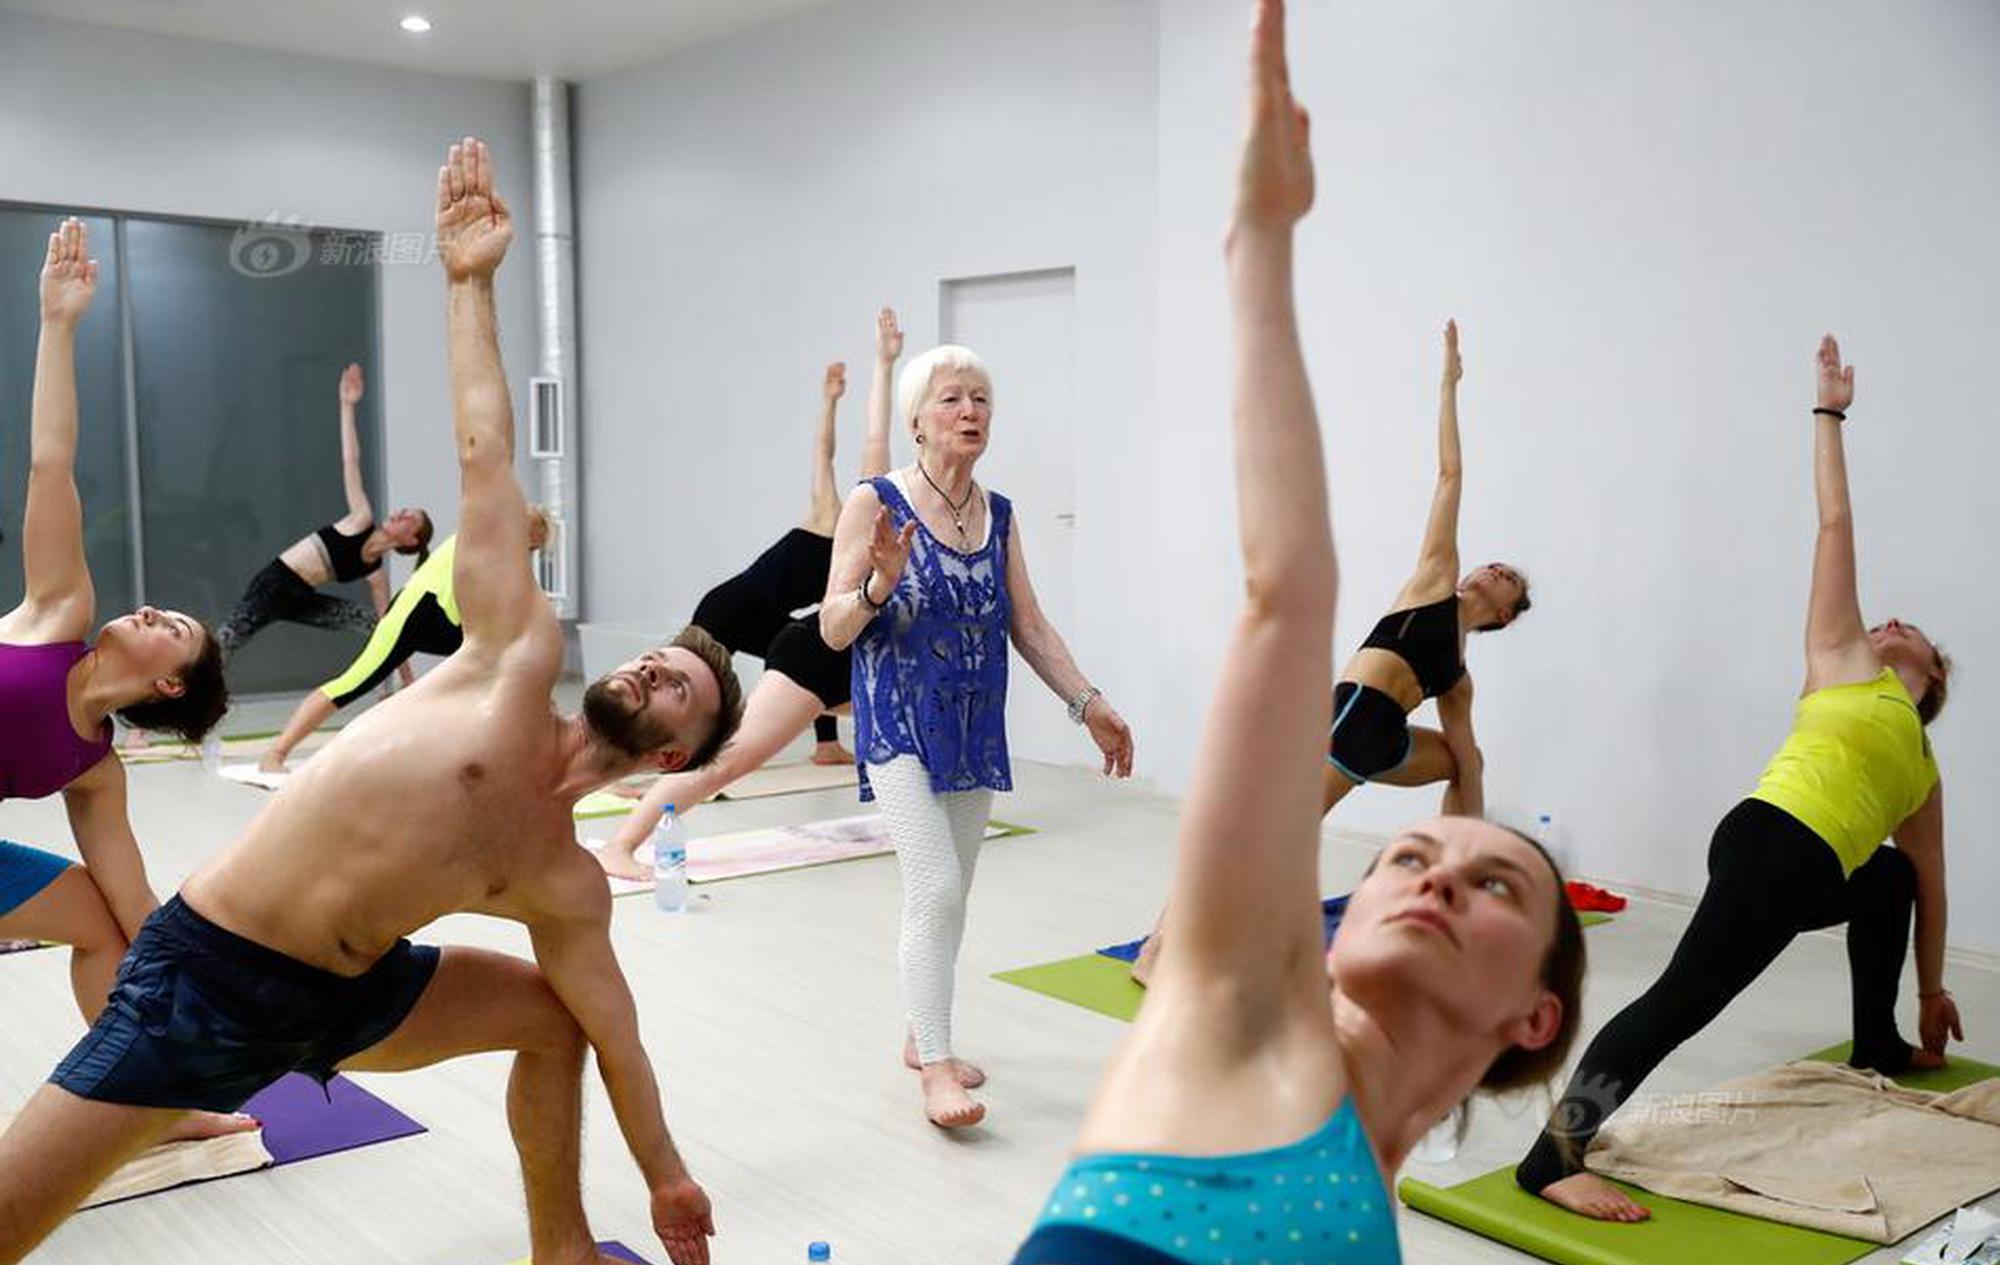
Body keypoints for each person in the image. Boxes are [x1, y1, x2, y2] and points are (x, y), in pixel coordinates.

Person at [0, 139, 743, 1265]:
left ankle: (563, 1247)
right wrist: (467, 284)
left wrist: (668, 1172)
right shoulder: (512, 651)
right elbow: (485, 450)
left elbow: (620, 1032)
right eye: (654, 657)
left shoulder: (564, 879)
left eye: (677, 686)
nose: (650, 668)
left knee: (557, 1019)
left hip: (352, 991)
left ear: (673, 752)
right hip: (202, 977)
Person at [1015, 10, 1581, 1259]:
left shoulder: (1461, 656)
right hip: (1348, 710)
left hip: (1390, 731)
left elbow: (1468, 776)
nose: (1433, 869)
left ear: (1534, 1017)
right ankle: (1174, 923)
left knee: (1409, 784)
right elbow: (1294, 582)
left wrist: (1472, 813)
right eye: (1412, 866)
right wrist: (1261, 244)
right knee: (1289, 832)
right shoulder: (1238, 1018)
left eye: (1488, 882)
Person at [1516, 334, 1958, 1223]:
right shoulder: (1841, 661)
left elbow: (1932, 884)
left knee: (1893, 877)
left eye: (1912, 631)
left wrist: (1931, 989)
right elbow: (1835, 526)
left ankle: (1878, 1041)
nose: (1893, 620)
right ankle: (1553, 1156)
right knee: (1682, 999)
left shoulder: (1922, 766)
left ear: (1934, 681)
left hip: (1816, 868)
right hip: (1771, 841)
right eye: (1889, 620)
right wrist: (1829, 414)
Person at [1130, 320, 1530, 986]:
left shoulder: (1459, 679)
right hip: (1350, 718)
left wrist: (1477, 844)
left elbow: (1466, 762)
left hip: (1388, 738)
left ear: (1506, 612)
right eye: (1490, 564)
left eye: (1503, 578)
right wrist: (1448, 386)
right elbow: (1449, 474)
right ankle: (1159, 948)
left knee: (1468, 759)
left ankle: (1450, 890)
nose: (1487, 570)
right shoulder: (1434, 577)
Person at [819, 333, 1136, 1130]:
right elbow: (831, 628)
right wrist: (875, 583)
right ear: (916, 420)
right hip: (897, 721)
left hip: (972, 724)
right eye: (952, 398)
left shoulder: (997, 513)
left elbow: (1027, 623)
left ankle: (922, 1031)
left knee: (953, 898)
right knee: (934, 887)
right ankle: (935, 1071)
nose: (970, 411)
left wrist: (1086, 700)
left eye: (981, 398)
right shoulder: (875, 501)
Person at [0, 217, 246, 1143]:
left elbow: (135, 901)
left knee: (104, 925)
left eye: (171, 627)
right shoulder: (58, 612)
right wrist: (58, 326)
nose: (150, 610)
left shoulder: (93, 767)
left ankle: (148, 1102)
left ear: (171, 685)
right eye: (158, 608)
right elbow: (50, 464)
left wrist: (209, 977)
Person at [595, 308, 905, 881]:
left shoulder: (926, 527)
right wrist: (882, 364)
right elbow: (872, 441)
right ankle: (623, 842)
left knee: (909, 726)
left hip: (851, 656)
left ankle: (867, 778)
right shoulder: (865, 512)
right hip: (813, 650)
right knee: (727, 761)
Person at [256, 506, 550, 773]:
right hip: (417, 611)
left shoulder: (505, 557)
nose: (527, 553)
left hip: (447, 623)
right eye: (528, 544)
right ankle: (276, 753)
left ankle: (531, 739)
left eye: (533, 549)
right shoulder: (484, 532)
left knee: (506, 662)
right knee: (353, 683)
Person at [213, 361, 432, 659]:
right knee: (221, 646)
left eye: (409, 518)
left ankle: (395, 690)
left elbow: (387, 627)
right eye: (405, 510)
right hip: (274, 584)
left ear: (411, 541)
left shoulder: (375, 573)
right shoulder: (361, 518)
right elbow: (350, 461)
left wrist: (405, 682)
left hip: (301, 598)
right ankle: (183, 695)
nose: (400, 513)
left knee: (373, 623)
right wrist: (347, 405)